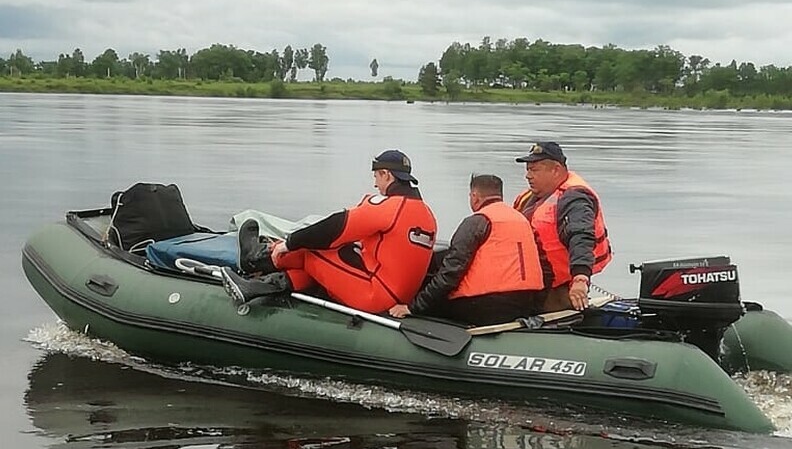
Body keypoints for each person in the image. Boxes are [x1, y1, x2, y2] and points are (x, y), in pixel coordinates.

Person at [221, 150, 437, 312]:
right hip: (398, 295)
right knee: (332, 255)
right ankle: (259, 286)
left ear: (387, 175)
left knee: (312, 249)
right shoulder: (426, 214)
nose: (375, 185)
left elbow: (334, 227)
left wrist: (288, 244)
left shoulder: (391, 207)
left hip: (376, 295)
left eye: (376, 178)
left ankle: (256, 258)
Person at [389, 173, 548, 325]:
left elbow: (450, 273)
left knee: (431, 301)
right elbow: (545, 266)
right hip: (527, 303)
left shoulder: (478, 221)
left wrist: (413, 307)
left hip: (484, 306)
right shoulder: (522, 220)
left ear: (474, 196)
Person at [512, 141, 612, 311]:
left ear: (556, 170)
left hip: (559, 289)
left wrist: (580, 278)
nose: (528, 176)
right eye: (527, 170)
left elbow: (581, 236)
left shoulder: (575, 198)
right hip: (531, 283)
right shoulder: (530, 197)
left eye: (534, 170)